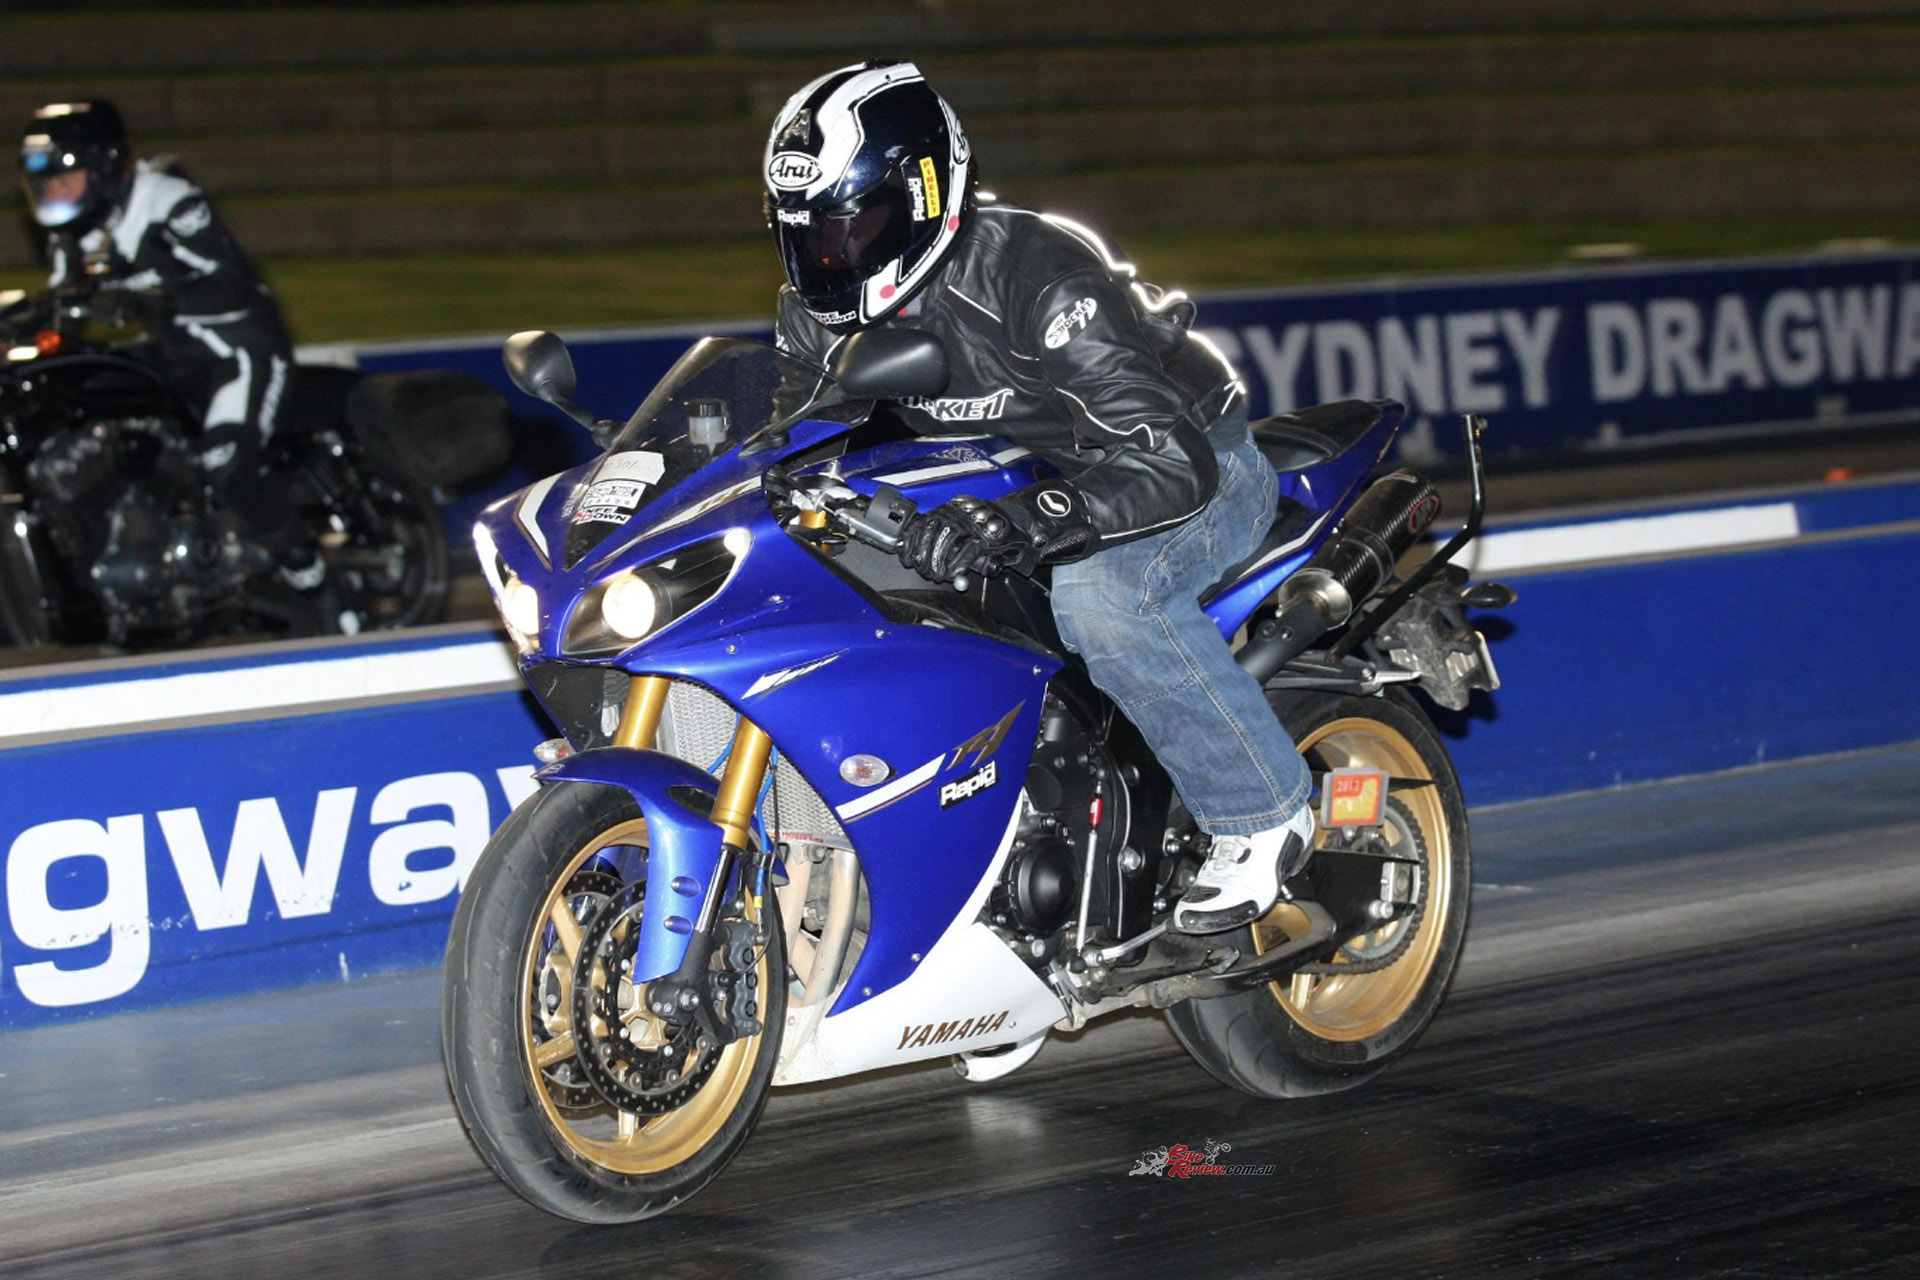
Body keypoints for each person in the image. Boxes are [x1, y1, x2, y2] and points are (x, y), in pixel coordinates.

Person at [762, 61, 1316, 935]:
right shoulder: (813, 314)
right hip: (1014, 482)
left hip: (1183, 466)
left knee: (1101, 600)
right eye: (808, 234)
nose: (830, 257)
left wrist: (1035, 520)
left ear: (924, 196)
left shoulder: (1037, 275)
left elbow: (1167, 459)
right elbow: (789, 442)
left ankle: (1264, 811)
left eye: (852, 225)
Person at [17, 99, 326, 596]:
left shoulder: (166, 201)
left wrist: (148, 302)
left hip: (237, 349)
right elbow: (62, 308)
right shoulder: (70, 239)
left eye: (64, 181)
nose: (54, 194)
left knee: (226, 458)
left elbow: (232, 283)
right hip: (170, 354)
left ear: (104, 169)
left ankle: (308, 567)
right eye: (47, 185)